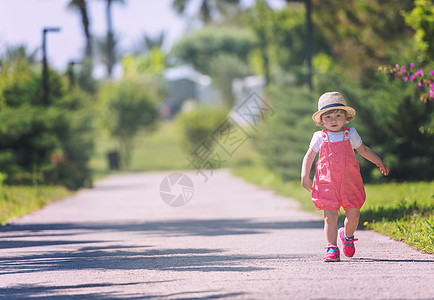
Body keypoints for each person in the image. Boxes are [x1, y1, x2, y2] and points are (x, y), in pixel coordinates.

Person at [301, 92, 389, 262]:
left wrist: (378, 161)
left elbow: (363, 150)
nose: (333, 120)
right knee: (330, 216)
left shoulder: (351, 134)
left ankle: (347, 236)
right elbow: (309, 156)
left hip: (350, 182)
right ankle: (331, 248)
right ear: (322, 120)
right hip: (327, 183)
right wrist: (305, 174)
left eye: (338, 115)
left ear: (345, 117)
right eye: (328, 116)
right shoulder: (319, 137)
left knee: (354, 215)